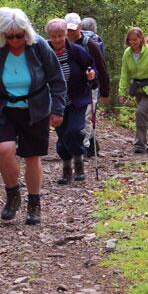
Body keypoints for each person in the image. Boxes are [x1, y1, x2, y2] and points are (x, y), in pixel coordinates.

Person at [0, 9, 66, 225]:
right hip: (2, 107)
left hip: (36, 108)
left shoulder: (39, 45)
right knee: (5, 150)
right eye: (9, 36)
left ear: (26, 32)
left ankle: (34, 203)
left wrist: (58, 109)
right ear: (2, 34)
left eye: (19, 35)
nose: (15, 41)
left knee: (32, 156)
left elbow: (57, 79)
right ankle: (13, 195)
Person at [45, 19, 96, 184]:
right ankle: (67, 168)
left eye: (60, 35)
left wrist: (91, 76)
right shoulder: (44, 51)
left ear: (65, 34)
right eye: (54, 36)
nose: (58, 39)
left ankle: (79, 161)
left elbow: (91, 68)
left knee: (73, 131)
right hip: (55, 103)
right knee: (62, 136)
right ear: (49, 36)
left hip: (77, 99)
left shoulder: (77, 51)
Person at [64, 13, 109, 157]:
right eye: (68, 29)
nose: (70, 32)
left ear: (79, 27)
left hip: (90, 88)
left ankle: (81, 150)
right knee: (72, 120)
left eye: (73, 29)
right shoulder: (60, 43)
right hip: (68, 89)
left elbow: (102, 68)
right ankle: (91, 144)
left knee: (85, 118)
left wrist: (105, 92)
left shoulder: (90, 44)